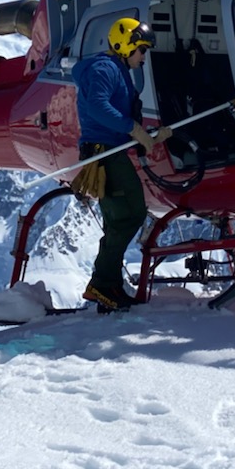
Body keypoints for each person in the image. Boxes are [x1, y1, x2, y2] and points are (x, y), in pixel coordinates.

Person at [72, 17, 172, 313]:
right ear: (125, 45)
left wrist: (145, 135)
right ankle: (101, 284)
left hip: (112, 150)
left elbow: (118, 115)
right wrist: (134, 129)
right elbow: (98, 106)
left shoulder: (119, 70)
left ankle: (109, 285)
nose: (144, 57)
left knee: (121, 218)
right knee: (131, 214)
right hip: (105, 155)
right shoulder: (104, 69)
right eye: (142, 50)